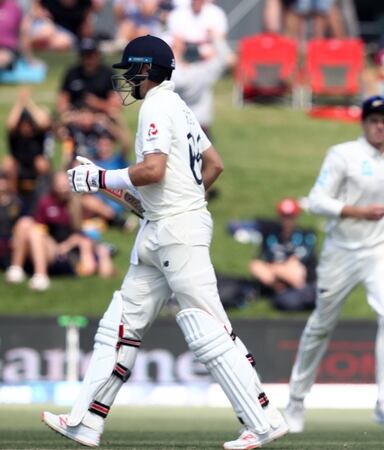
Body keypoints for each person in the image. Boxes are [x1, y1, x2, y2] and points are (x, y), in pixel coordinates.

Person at [40, 35, 288, 450]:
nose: (127, 81)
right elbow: (214, 165)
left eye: (130, 72)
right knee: (119, 325)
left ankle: (263, 421)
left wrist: (101, 178)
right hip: (161, 229)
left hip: (175, 232)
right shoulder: (180, 108)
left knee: (207, 328)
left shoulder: (157, 104)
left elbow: (153, 170)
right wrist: (174, 201)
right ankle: (86, 422)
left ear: (145, 69)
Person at [284, 96, 384, 433]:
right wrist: (357, 212)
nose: (379, 125)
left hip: (378, 251)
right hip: (341, 250)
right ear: (363, 123)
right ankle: (296, 400)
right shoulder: (344, 155)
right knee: (321, 324)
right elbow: (316, 201)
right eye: (373, 120)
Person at [4, 172, 102, 290]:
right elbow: (39, 227)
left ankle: (41, 276)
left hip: (64, 252)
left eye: (65, 185)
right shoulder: (46, 202)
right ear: (53, 185)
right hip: (46, 245)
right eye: (59, 185)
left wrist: (67, 245)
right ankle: (16, 269)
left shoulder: (76, 204)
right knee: (25, 223)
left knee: (36, 232)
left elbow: (80, 234)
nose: (62, 188)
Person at [249, 197, 317, 311]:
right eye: (284, 216)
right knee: (256, 265)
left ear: (296, 217)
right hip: (275, 277)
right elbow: (260, 262)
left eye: (290, 217)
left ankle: (293, 292)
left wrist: (276, 268)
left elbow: (297, 265)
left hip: (298, 275)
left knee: (294, 269)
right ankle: (280, 290)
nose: (287, 220)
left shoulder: (306, 235)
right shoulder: (271, 235)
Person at [4, 87, 52, 214]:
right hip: (18, 168)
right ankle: (12, 199)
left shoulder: (38, 134)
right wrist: (20, 102)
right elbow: (10, 123)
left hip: (34, 167)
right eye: (23, 124)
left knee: (42, 163)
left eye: (29, 124)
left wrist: (28, 102)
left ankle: (44, 197)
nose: (26, 127)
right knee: (8, 163)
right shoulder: (15, 134)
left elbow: (43, 121)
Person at [57, 38, 119, 117]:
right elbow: (62, 100)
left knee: (114, 115)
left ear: (98, 55)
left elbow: (115, 106)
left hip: (100, 116)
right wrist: (69, 112)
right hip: (75, 115)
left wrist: (97, 103)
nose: (88, 59)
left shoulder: (108, 74)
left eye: (91, 55)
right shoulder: (72, 73)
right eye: (84, 55)